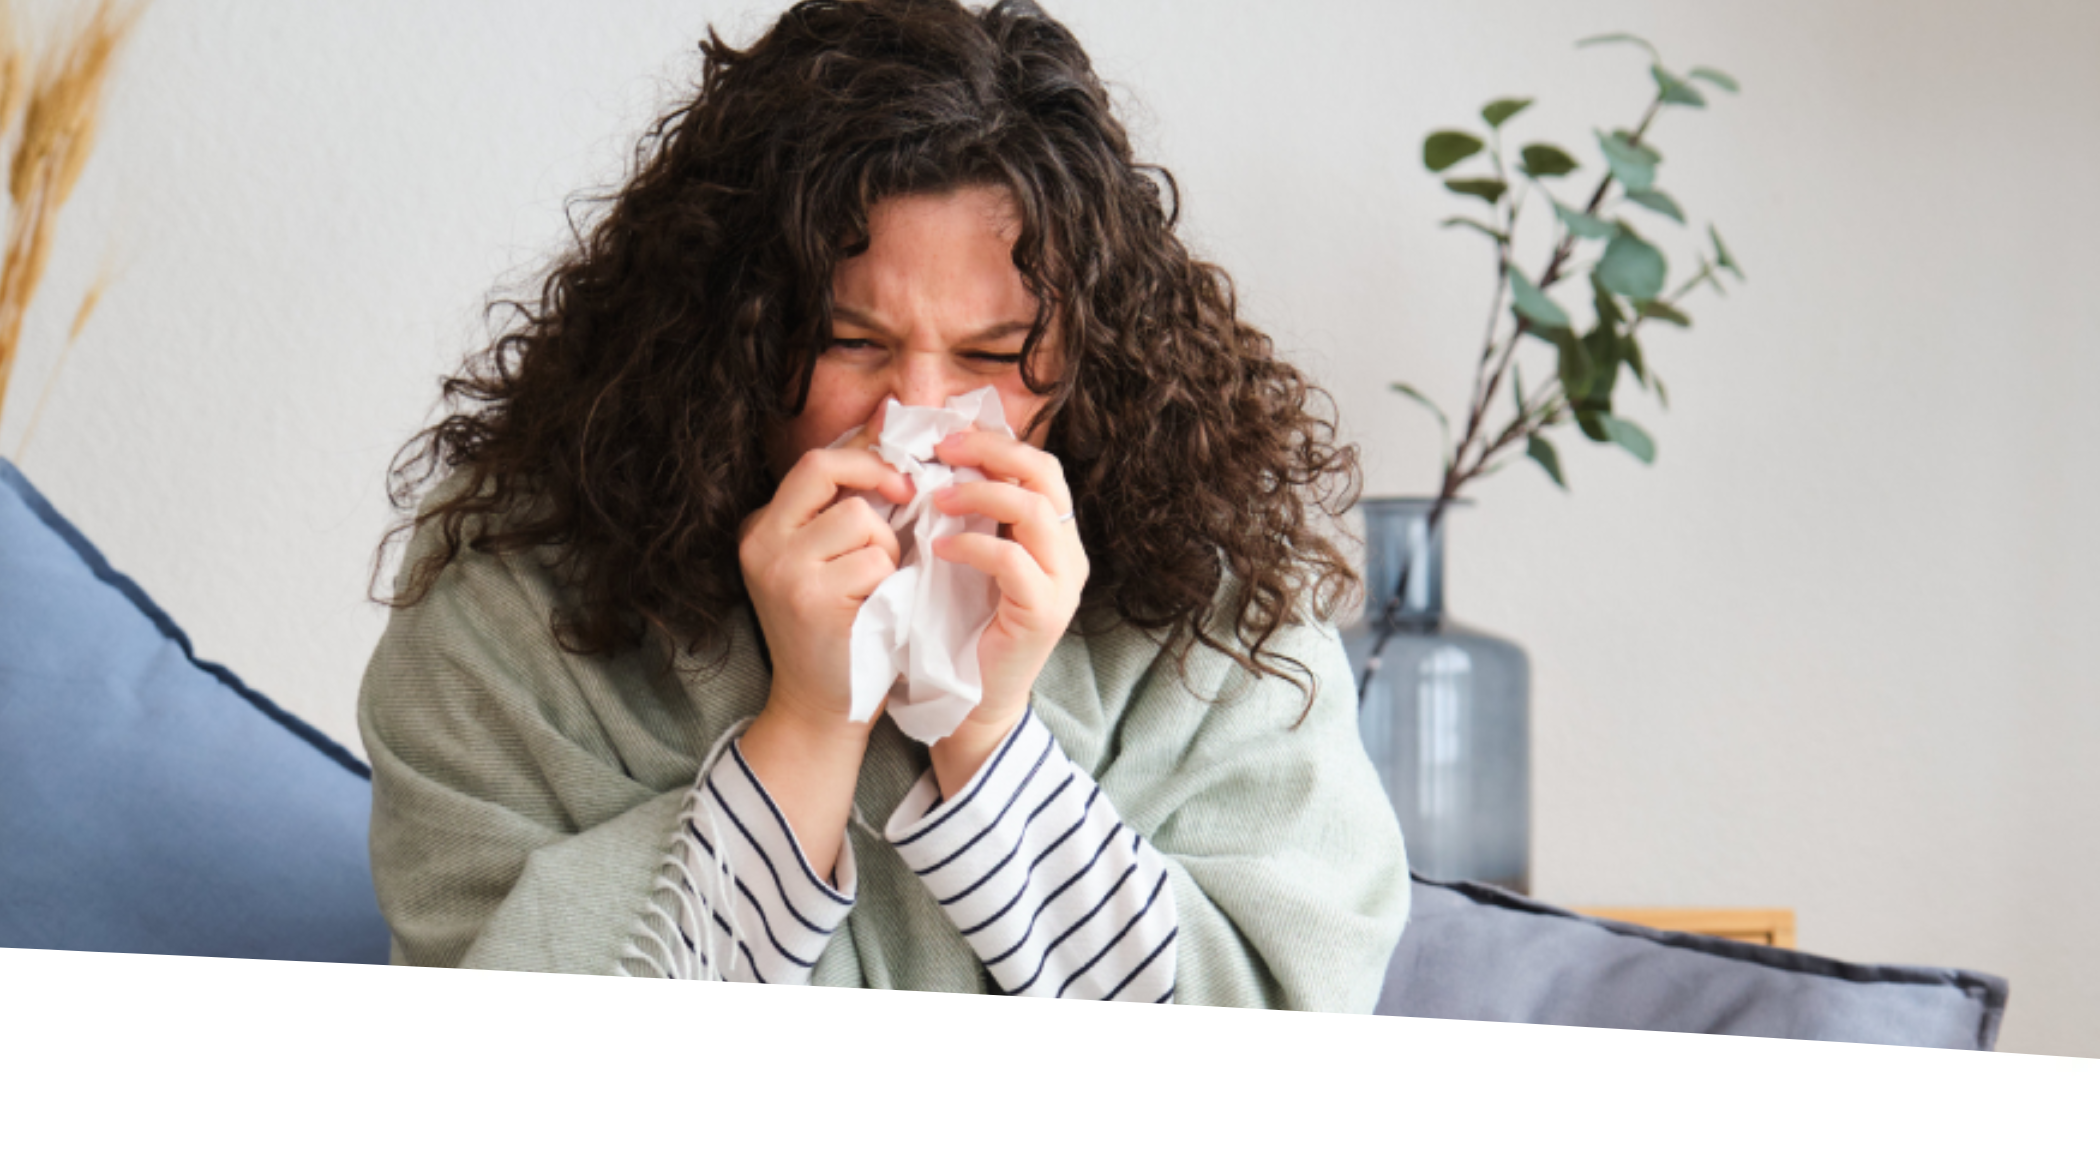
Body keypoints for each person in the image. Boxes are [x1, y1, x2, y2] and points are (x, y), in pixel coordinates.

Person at [360, 0, 1409, 1010]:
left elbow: (1281, 1037)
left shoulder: (1216, 601)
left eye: (994, 356)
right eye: (850, 341)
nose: (916, 413)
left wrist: (984, 733)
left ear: (1089, 363)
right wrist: (810, 725)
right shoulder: (512, 596)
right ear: (725, 333)